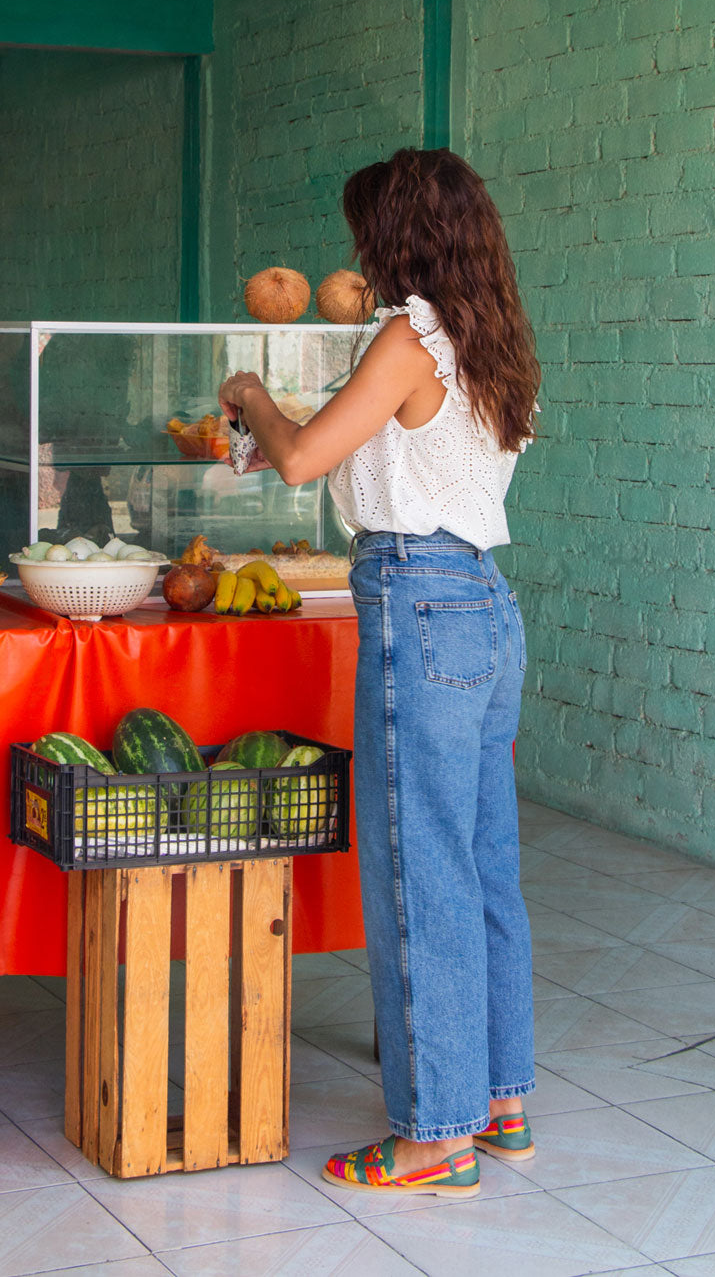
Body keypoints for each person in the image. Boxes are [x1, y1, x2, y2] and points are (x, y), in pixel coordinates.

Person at [219, 147, 541, 1199]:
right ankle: (497, 1101)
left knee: (420, 870)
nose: (360, 249)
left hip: (420, 598)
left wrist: (251, 395)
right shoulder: (489, 338)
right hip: (488, 604)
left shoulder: (411, 334)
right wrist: (281, 432)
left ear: (399, 233)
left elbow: (308, 458)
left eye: (368, 229)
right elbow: (385, 451)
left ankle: (431, 1136)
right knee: (483, 859)